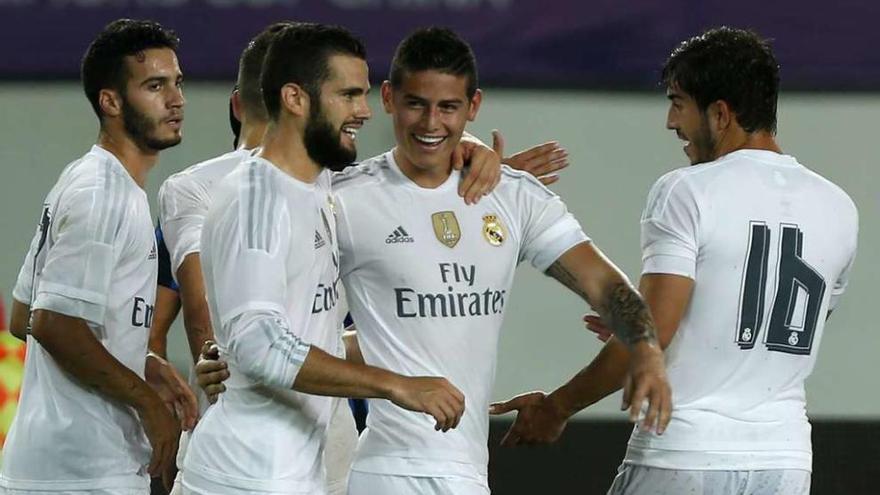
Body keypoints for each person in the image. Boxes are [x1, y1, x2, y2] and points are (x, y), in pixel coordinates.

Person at [200, 27, 671, 494]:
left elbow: (605, 285)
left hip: (432, 471)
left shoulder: (508, 195)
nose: (430, 123)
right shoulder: (339, 197)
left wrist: (646, 349)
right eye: (415, 105)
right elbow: (259, 327)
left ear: (473, 108)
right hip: (362, 471)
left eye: (448, 108)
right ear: (390, 99)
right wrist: (241, 350)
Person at [490, 27, 859, 495]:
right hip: (784, 464)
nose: (670, 121)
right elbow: (772, 328)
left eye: (678, 102)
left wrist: (555, 408)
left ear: (720, 114)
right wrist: (683, 327)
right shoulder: (839, 207)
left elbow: (652, 337)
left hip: (686, 455)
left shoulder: (686, 190)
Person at [180, 23, 470, 495]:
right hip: (244, 478)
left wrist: (478, 155)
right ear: (296, 98)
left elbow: (308, 332)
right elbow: (259, 344)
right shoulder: (257, 198)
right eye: (349, 95)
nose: (363, 111)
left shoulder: (316, 185)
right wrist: (393, 384)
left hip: (292, 474)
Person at [1, 19, 198, 494]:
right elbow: (52, 323)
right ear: (110, 102)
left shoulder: (90, 179)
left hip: (60, 466)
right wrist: (149, 406)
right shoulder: (101, 193)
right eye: (155, 86)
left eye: (177, 83)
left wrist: (142, 359)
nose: (176, 100)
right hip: (80, 472)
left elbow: (22, 315)